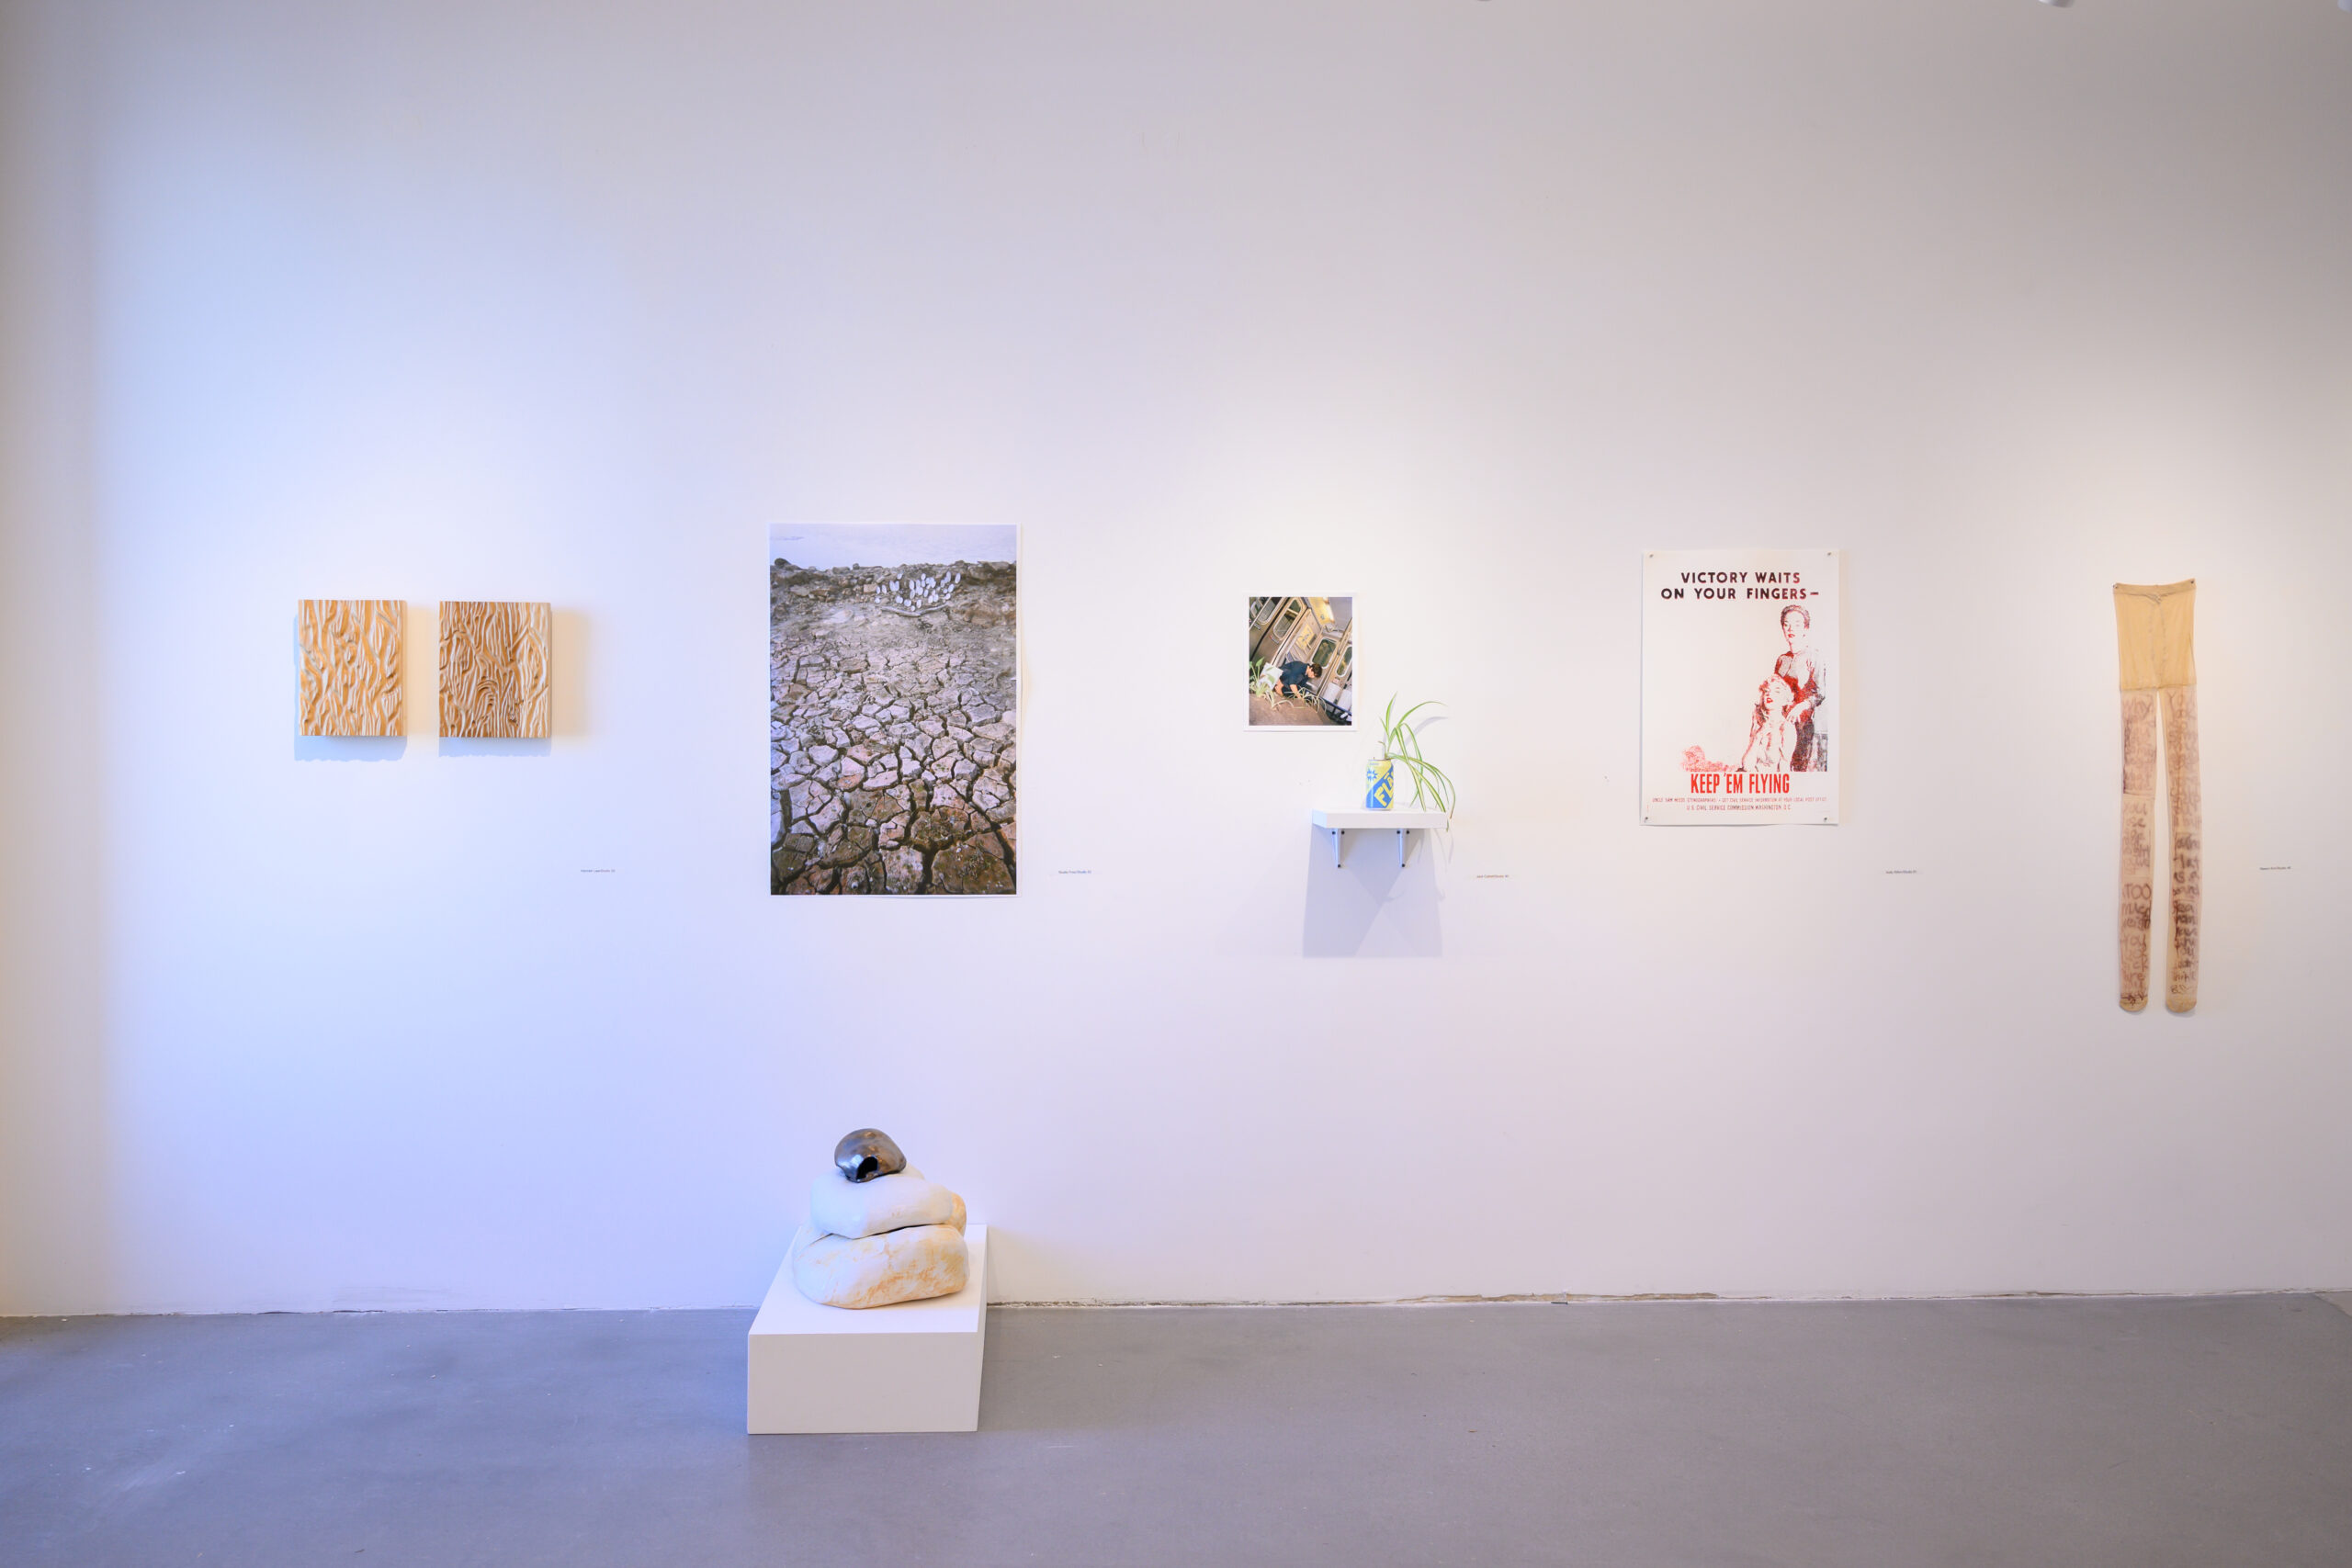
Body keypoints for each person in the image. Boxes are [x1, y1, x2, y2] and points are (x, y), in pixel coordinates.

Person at [1772, 604, 1827, 772]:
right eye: (1787, 624)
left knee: (1798, 770)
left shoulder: (1814, 657)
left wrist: (1801, 706)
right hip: (1780, 724)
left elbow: (1820, 693)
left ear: (1805, 629)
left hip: (1804, 726)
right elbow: (1775, 690)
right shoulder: (1782, 659)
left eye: (1797, 624)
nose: (1791, 628)